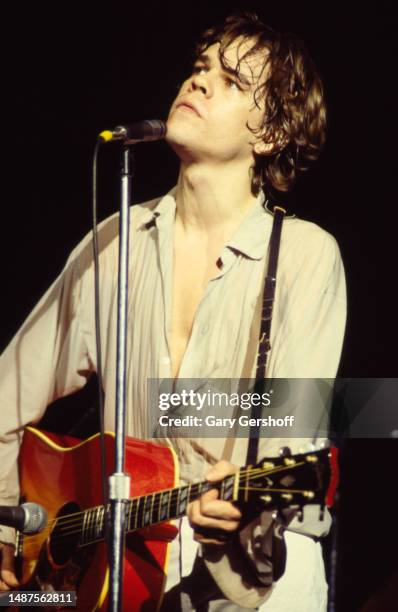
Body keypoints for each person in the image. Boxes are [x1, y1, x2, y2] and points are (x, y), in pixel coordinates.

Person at [0, 12, 346, 611]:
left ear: (268, 135)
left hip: (258, 575)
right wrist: (7, 526)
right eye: (199, 67)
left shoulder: (304, 256)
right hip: (120, 569)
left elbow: (292, 435)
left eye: (233, 81)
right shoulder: (115, 243)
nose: (200, 82)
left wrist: (241, 504)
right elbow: (7, 394)